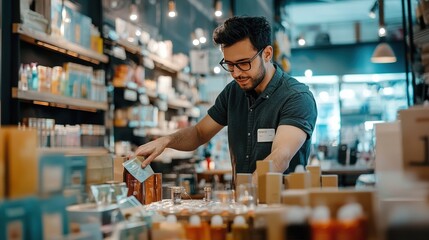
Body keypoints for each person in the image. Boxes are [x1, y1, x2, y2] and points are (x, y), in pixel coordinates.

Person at [134, 16, 317, 185]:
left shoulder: (296, 97)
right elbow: (199, 133)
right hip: (242, 205)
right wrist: (165, 141)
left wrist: (245, 192)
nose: (236, 73)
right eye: (229, 65)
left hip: (283, 208)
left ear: (267, 54)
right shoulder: (233, 92)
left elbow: (280, 157)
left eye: (244, 63)